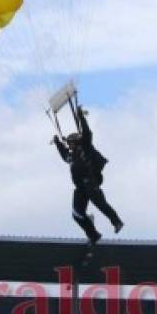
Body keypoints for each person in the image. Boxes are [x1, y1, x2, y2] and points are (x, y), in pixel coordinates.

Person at [53, 104, 124, 244]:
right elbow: (64, 155)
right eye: (68, 144)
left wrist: (80, 117)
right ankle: (93, 235)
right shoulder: (71, 156)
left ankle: (116, 222)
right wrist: (57, 143)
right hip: (80, 188)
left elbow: (87, 133)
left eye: (71, 143)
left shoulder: (85, 147)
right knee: (77, 213)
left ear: (76, 142)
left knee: (100, 203)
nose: (69, 146)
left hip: (90, 182)